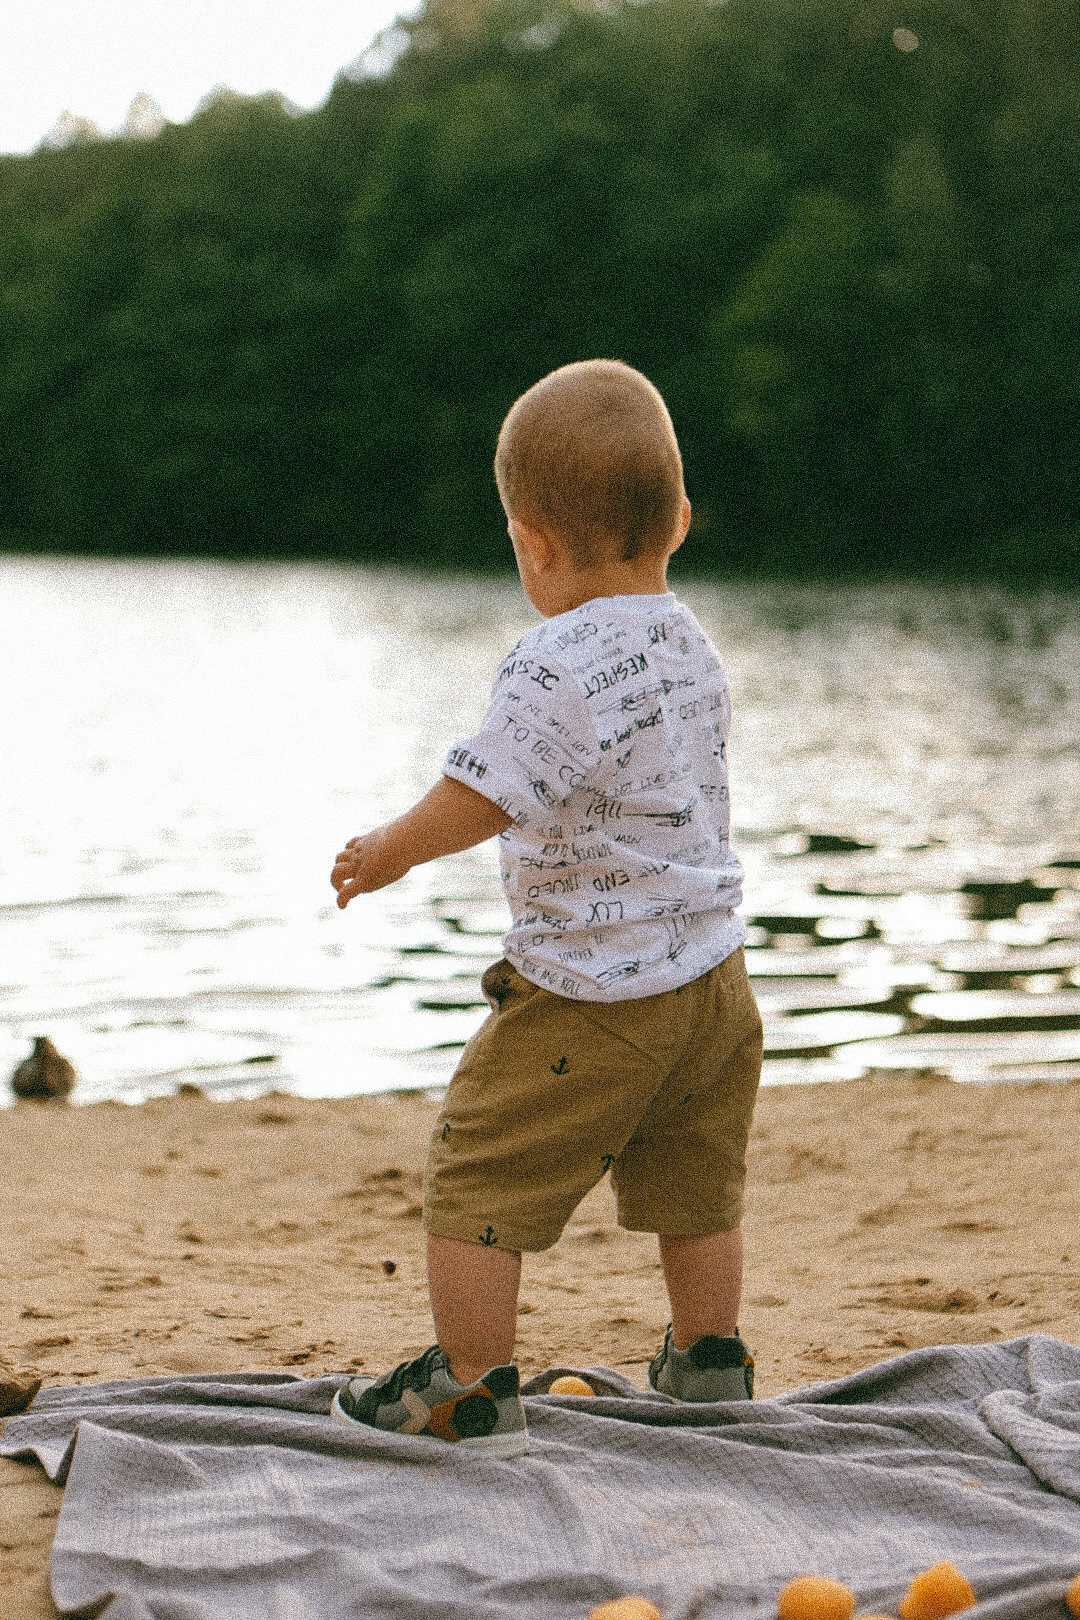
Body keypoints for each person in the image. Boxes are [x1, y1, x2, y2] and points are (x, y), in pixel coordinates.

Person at [329, 359, 763, 1457]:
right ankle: (710, 1363)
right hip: (715, 985)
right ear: (679, 519)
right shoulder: (692, 642)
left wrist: (387, 852)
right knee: (696, 1181)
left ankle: (469, 1390)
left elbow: (484, 792)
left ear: (533, 544)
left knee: (478, 1168)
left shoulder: (554, 661)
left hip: (591, 991)